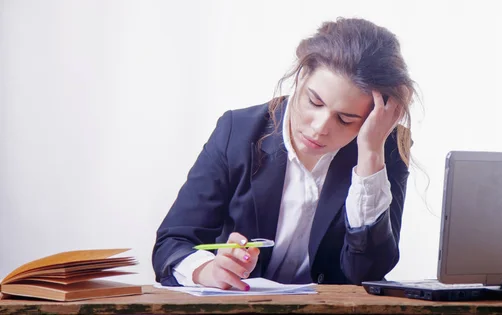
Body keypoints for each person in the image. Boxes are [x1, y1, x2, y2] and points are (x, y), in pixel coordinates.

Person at [152, 17, 416, 291]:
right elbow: (172, 243)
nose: (319, 127)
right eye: (314, 101)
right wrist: (206, 270)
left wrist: (370, 156)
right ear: (301, 77)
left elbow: (368, 273)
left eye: (346, 119)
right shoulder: (238, 131)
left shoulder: (384, 147)